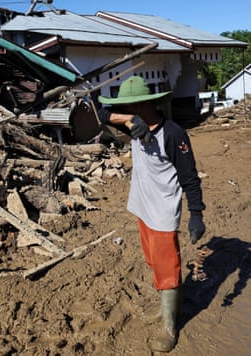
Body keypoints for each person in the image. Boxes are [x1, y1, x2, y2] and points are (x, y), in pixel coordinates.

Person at [97, 76, 206, 352]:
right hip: (143, 208)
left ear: (143, 103)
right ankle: (167, 308)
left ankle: (169, 327)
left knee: (168, 267)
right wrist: (128, 121)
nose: (124, 110)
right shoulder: (133, 124)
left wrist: (196, 213)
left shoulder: (173, 133)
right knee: (154, 262)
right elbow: (98, 111)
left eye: (129, 106)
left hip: (163, 212)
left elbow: (190, 177)